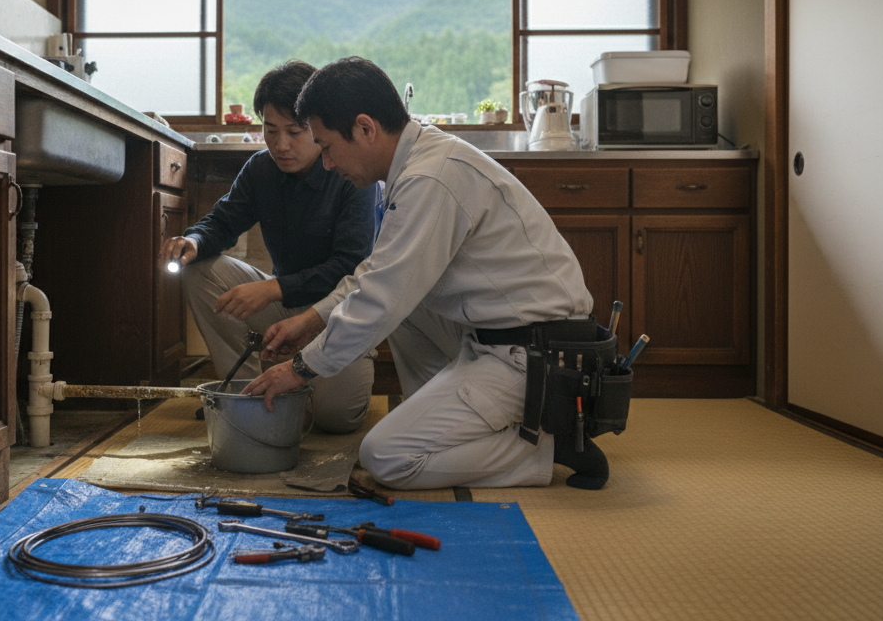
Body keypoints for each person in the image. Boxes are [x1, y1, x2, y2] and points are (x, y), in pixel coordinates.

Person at [242, 56, 611, 490]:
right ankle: (446, 424)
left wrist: (300, 368)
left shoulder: (430, 177)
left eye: (325, 147)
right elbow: (381, 274)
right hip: (502, 336)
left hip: (536, 356)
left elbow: (382, 296)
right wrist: (313, 319)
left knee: (385, 457)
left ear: (365, 128)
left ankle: (548, 447)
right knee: (407, 305)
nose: (325, 163)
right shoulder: (416, 162)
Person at [159, 60, 377, 434]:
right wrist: (193, 240)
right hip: (286, 304)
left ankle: (304, 380)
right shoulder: (261, 168)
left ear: (319, 127)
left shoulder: (350, 173)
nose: (281, 144)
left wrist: (273, 288)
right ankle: (244, 392)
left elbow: (350, 266)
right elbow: (223, 221)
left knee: (336, 418)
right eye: (270, 130)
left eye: (295, 131)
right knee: (199, 268)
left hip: (341, 315)